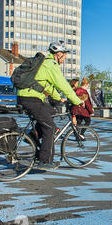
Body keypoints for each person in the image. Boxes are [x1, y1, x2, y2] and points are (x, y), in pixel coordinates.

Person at [17, 40, 83, 170]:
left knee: (52, 112)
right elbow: (64, 85)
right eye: (64, 56)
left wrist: (59, 98)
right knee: (50, 128)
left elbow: (46, 86)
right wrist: (76, 101)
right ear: (58, 54)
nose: (65, 58)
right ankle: (45, 161)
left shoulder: (43, 64)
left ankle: (32, 135)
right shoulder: (50, 65)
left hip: (28, 97)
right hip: (31, 99)